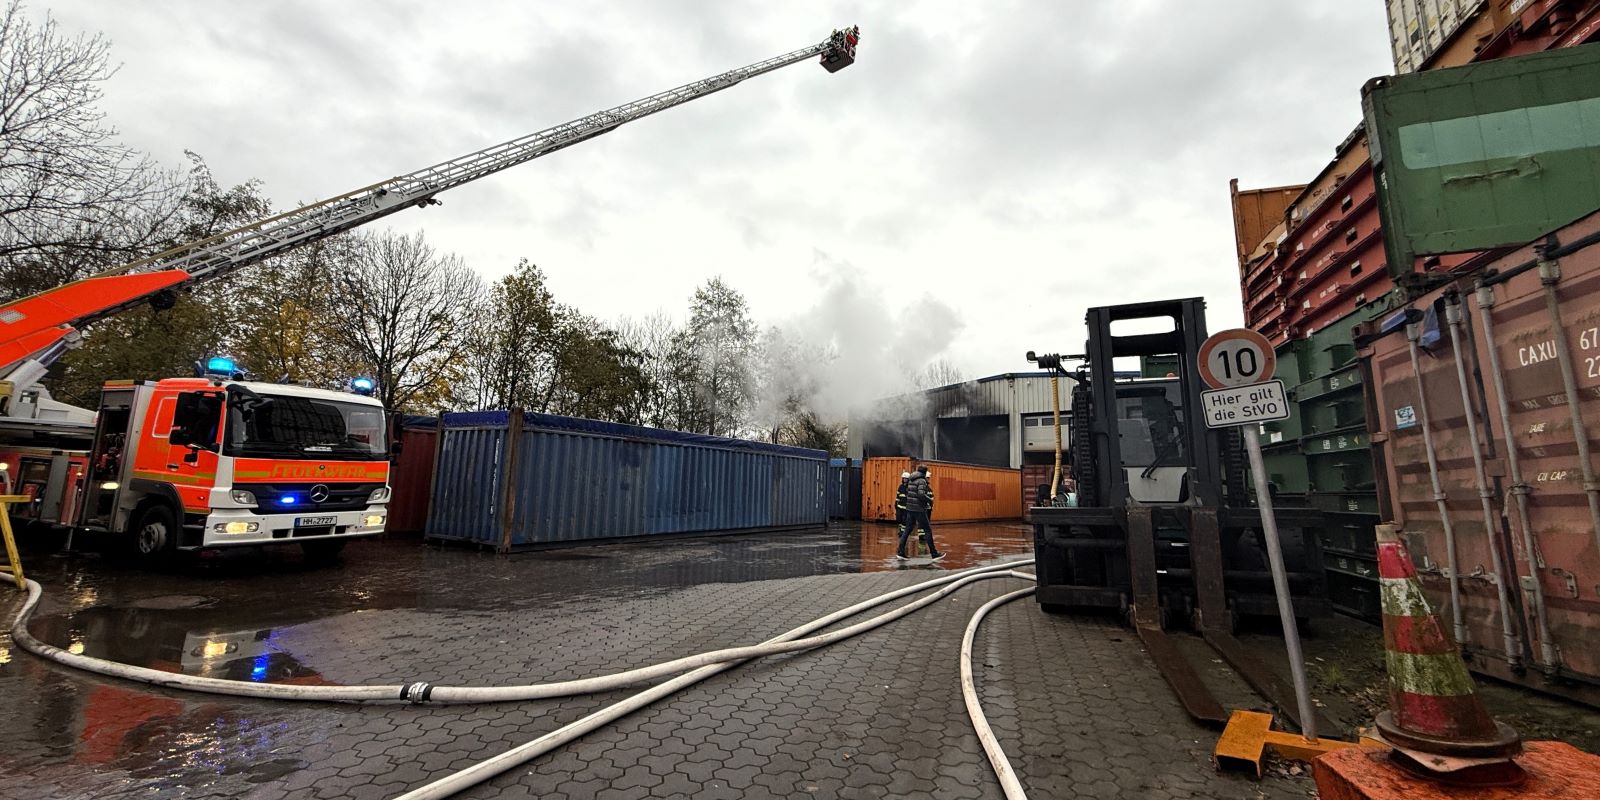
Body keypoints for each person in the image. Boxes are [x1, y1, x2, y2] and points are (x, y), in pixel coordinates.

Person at [898, 464, 944, 561]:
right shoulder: (922, 481)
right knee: (927, 530)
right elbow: (921, 495)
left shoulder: (911, 479)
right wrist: (930, 499)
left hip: (910, 508)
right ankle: (934, 553)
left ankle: (901, 552)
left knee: (907, 530)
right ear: (924, 472)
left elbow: (909, 493)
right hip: (919, 509)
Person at [895, 471, 911, 540]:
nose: (905, 480)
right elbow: (898, 496)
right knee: (899, 519)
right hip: (900, 506)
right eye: (904, 478)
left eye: (906, 479)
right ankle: (901, 530)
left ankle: (903, 531)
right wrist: (896, 503)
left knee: (904, 520)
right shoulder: (900, 487)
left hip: (906, 508)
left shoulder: (910, 488)